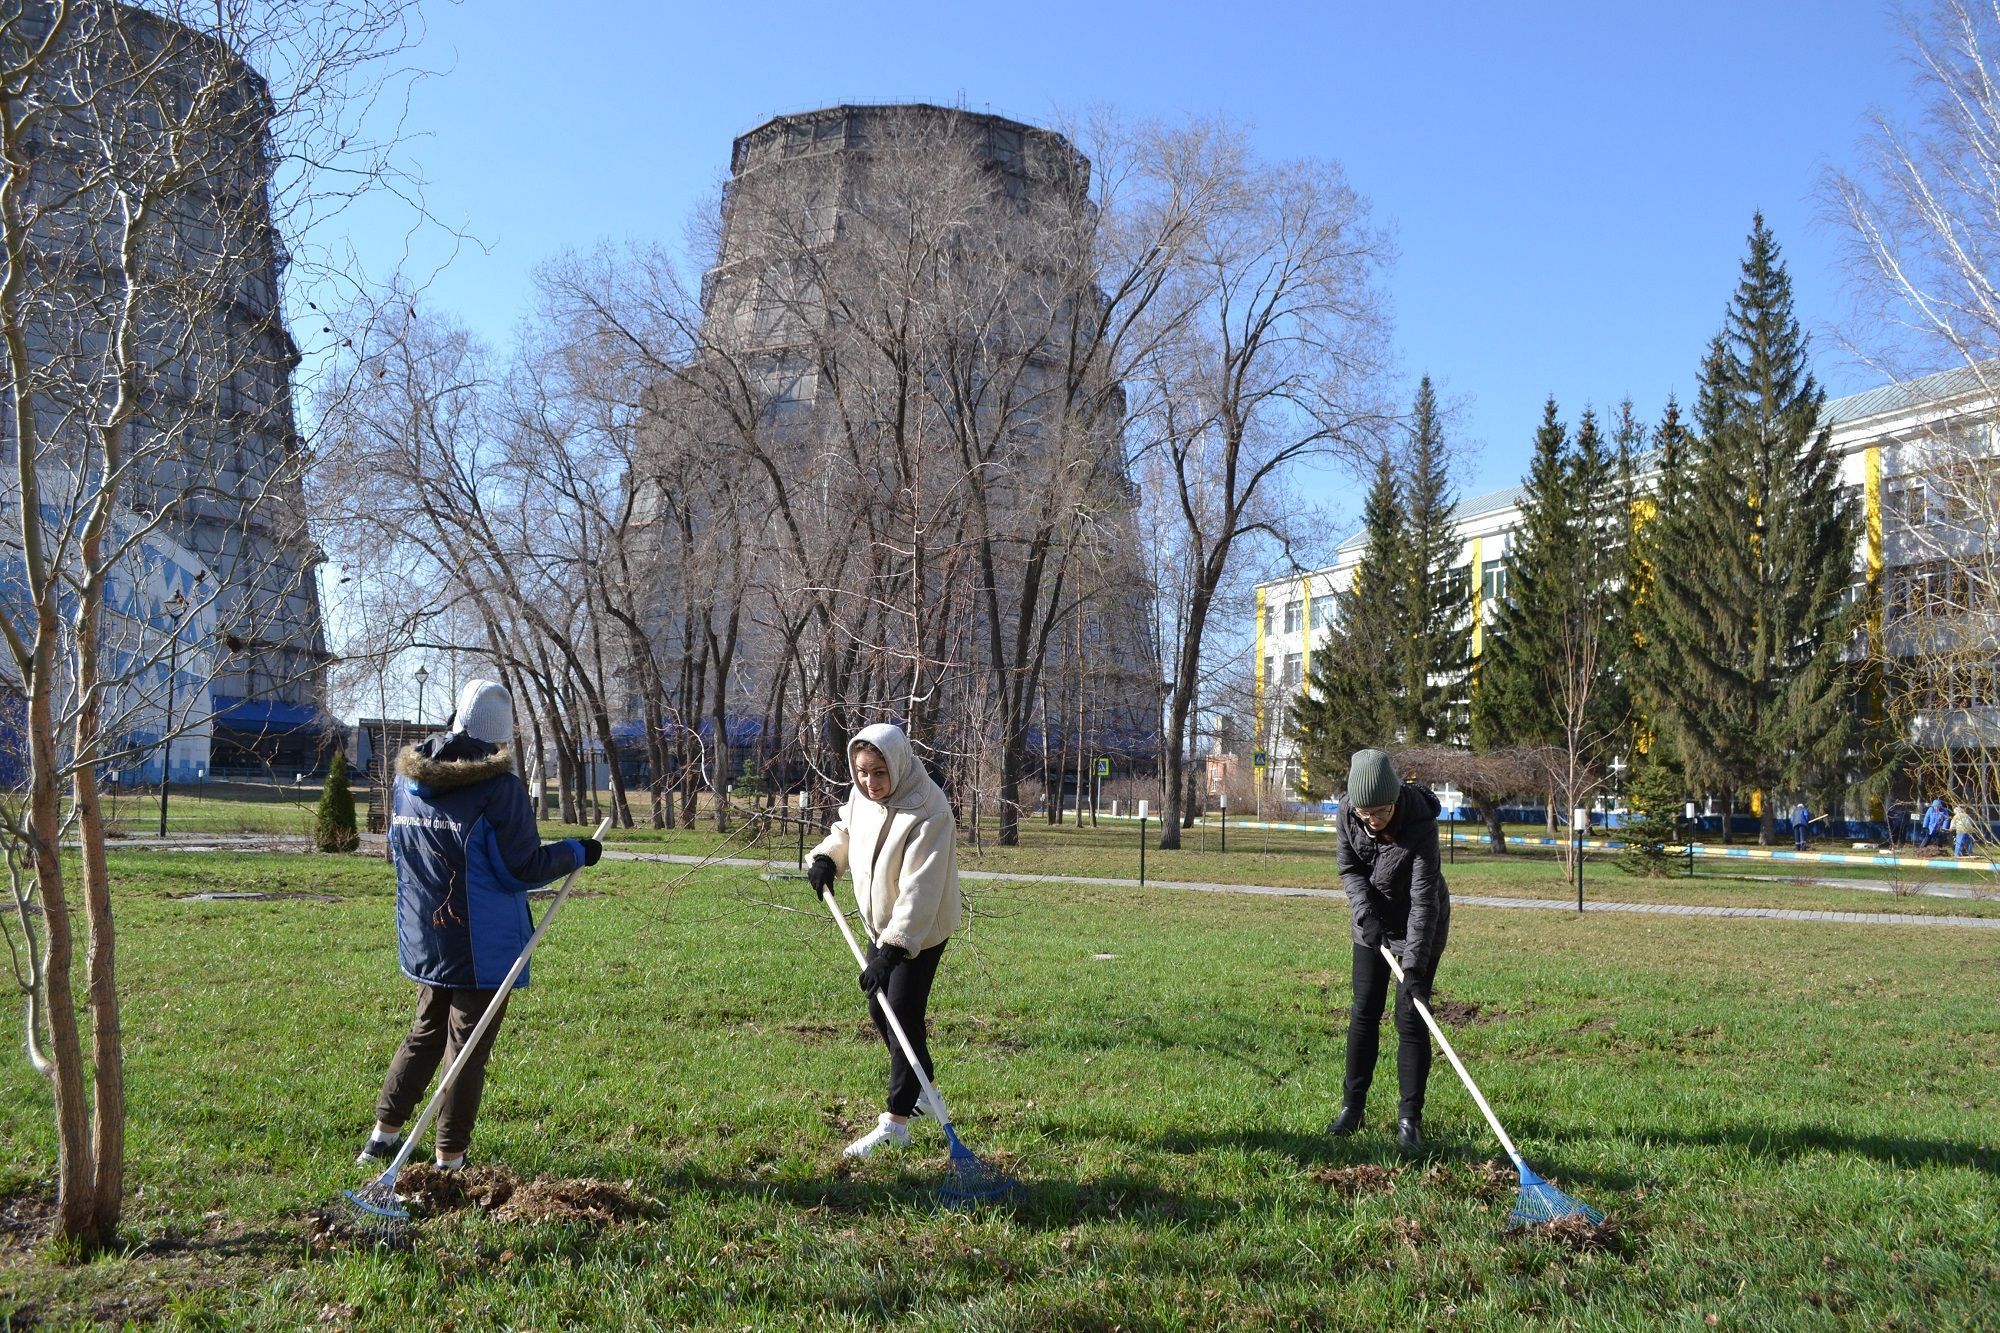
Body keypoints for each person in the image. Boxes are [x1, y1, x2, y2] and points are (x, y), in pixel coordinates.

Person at [356, 680, 601, 1172]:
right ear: (499, 736)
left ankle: (382, 1137)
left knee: (426, 1030)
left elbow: (395, 850)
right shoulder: (498, 788)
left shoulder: (407, 781)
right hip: (482, 942)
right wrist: (579, 850)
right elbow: (524, 867)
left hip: (427, 932)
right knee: (466, 1046)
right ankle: (450, 1157)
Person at [804, 723, 963, 1157]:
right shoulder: (863, 796)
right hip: (881, 923)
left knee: (901, 1012)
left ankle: (896, 1121)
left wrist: (892, 951)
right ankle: (924, 1088)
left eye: (878, 773)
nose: (869, 783)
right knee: (879, 1004)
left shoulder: (929, 809)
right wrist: (825, 858)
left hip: (920, 930)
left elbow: (921, 891)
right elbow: (846, 830)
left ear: (898, 764)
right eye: (861, 772)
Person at [1327, 748, 1451, 1155]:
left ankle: (1409, 1120)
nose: (1373, 820)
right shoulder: (1349, 812)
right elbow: (1350, 870)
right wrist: (1366, 915)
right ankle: (1352, 1107)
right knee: (1364, 1009)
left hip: (1420, 923)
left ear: (1395, 799)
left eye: (1380, 811)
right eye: (1366, 813)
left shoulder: (1421, 826)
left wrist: (1413, 966)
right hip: (1372, 923)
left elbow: (1423, 902)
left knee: (1410, 1017)